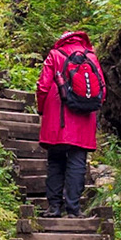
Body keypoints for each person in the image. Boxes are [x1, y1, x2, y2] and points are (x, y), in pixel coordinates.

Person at [35, 28, 105, 217]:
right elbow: (102, 90)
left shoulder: (55, 55)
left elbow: (43, 86)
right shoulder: (91, 56)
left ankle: (54, 207)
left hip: (57, 117)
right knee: (77, 162)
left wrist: (42, 109)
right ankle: (74, 209)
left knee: (56, 161)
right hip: (84, 117)